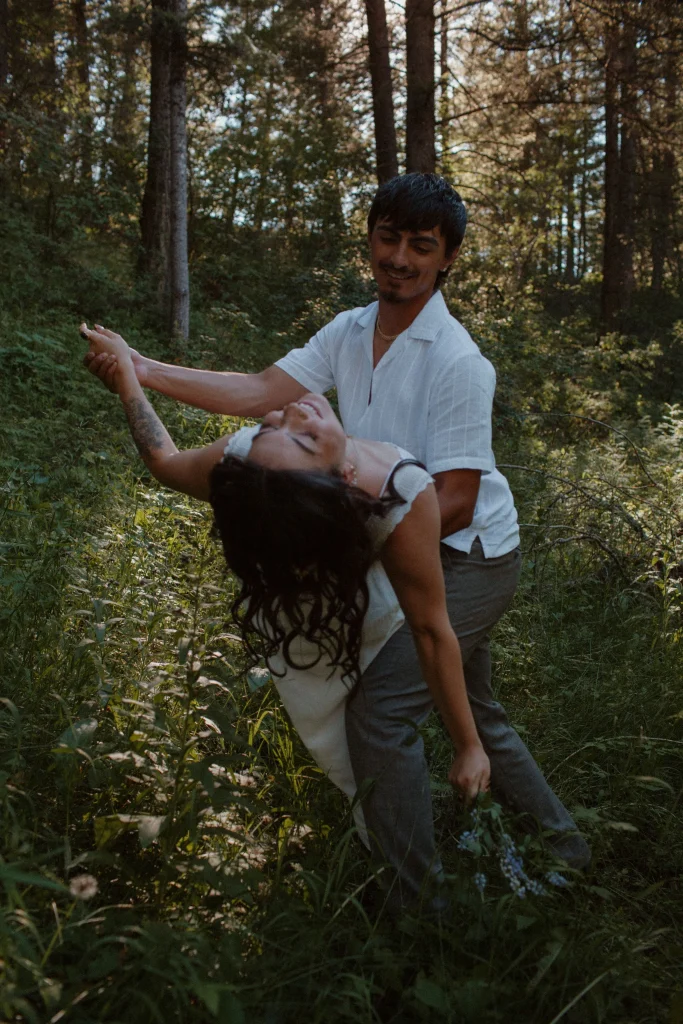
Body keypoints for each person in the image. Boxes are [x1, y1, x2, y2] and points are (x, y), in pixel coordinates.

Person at [84, 173, 590, 908]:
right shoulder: (349, 330)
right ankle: (564, 849)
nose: (400, 259)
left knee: (382, 715)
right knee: (472, 710)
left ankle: (416, 910)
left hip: (469, 553)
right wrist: (140, 368)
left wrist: (340, 542)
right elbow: (258, 391)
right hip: (396, 525)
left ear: (446, 258)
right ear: (370, 239)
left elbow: (452, 500)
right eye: (389, 239)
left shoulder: (457, 362)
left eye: (422, 247)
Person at [80, 322, 490, 908]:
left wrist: (467, 745)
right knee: (349, 728)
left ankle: (503, 843)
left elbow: (429, 627)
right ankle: (422, 902)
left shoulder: (383, 492)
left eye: (281, 429)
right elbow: (168, 463)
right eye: (283, 432)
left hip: (416, 571)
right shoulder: (275, 476)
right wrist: (126, 381)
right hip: (321, 606)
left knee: (438, 700)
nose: (289, 413)